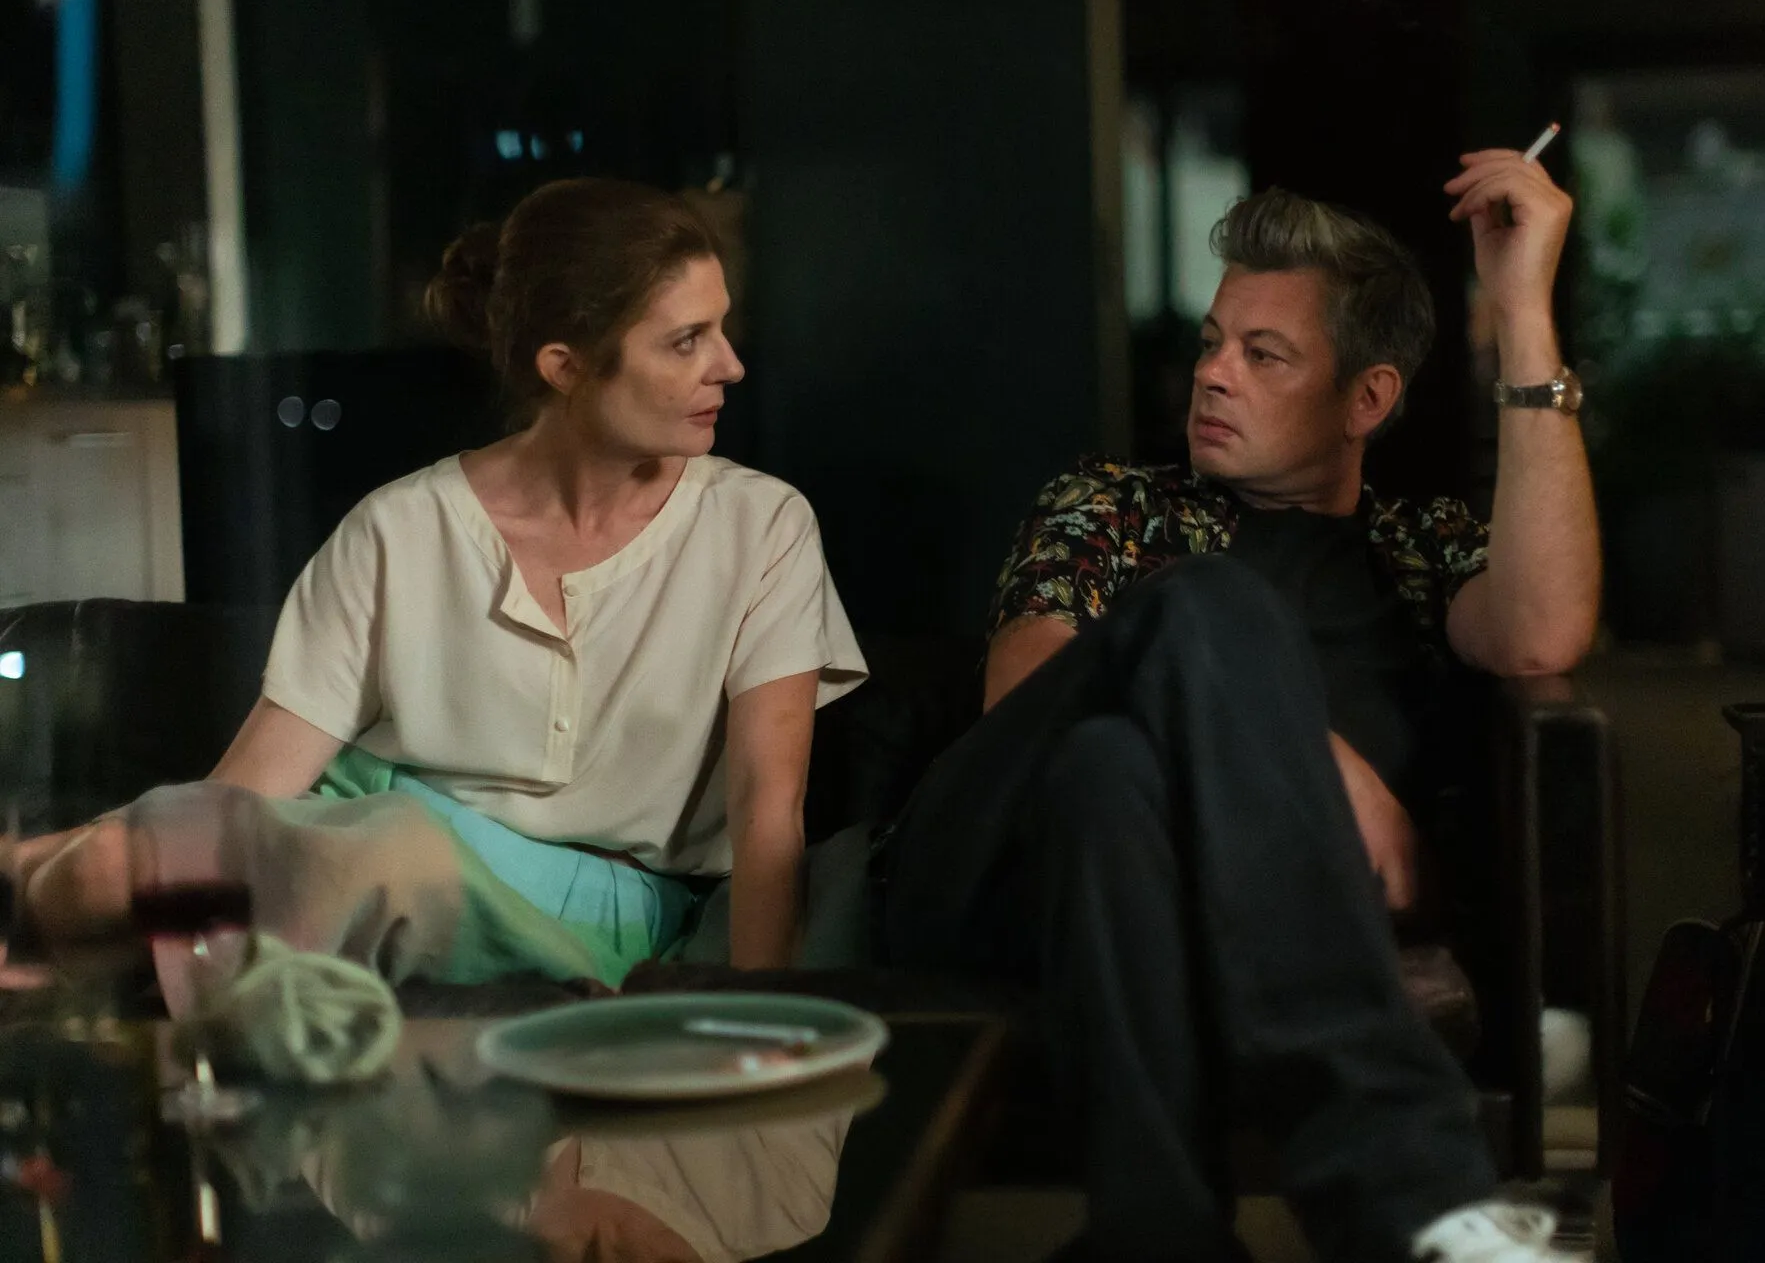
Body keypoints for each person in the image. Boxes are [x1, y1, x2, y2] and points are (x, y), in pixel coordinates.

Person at [884, 153, 1599, 1261]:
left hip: (1116, 855)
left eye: (1263, 354)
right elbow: (1027, 696)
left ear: (1367, 398)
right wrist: (1308, 757)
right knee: (1203, 609)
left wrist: (1518, 307)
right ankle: (1410, 1185)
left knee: (1111, 776)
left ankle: (1157, 1236)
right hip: (983, 867)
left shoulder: (1420, 548)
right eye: (1213, 342)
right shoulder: (1113, 504)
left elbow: (1543, 632)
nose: (1212, 374)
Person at [20, 177, 867, 987]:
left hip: (557, 896)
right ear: (565, 366)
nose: (730, 365)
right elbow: (245, 789)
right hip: (360, 828)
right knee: (99, 871)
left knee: (385, 852)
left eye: (721, 328)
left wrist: (765, 1027)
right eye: (687, 340)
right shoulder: (398, 528)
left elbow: (768, 806)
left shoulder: (761, 525)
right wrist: (131, 854)